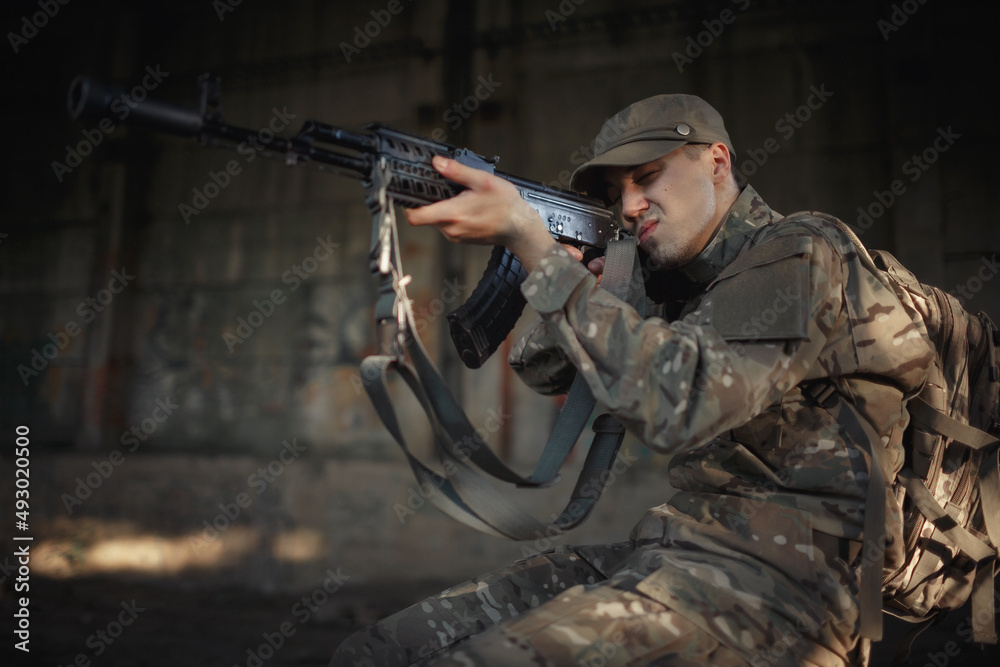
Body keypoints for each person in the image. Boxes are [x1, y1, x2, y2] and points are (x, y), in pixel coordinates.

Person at [331, 94, 935, 666]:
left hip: (790, 588)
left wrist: (535, 249)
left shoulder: (801, 248)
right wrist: (586, 282)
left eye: (646, 178)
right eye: (617, 193)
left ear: (716, 161)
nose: (628, 206)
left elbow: (684, 404)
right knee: (378, 651)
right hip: (677, 553)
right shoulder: (667, 278)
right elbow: (544, 371)